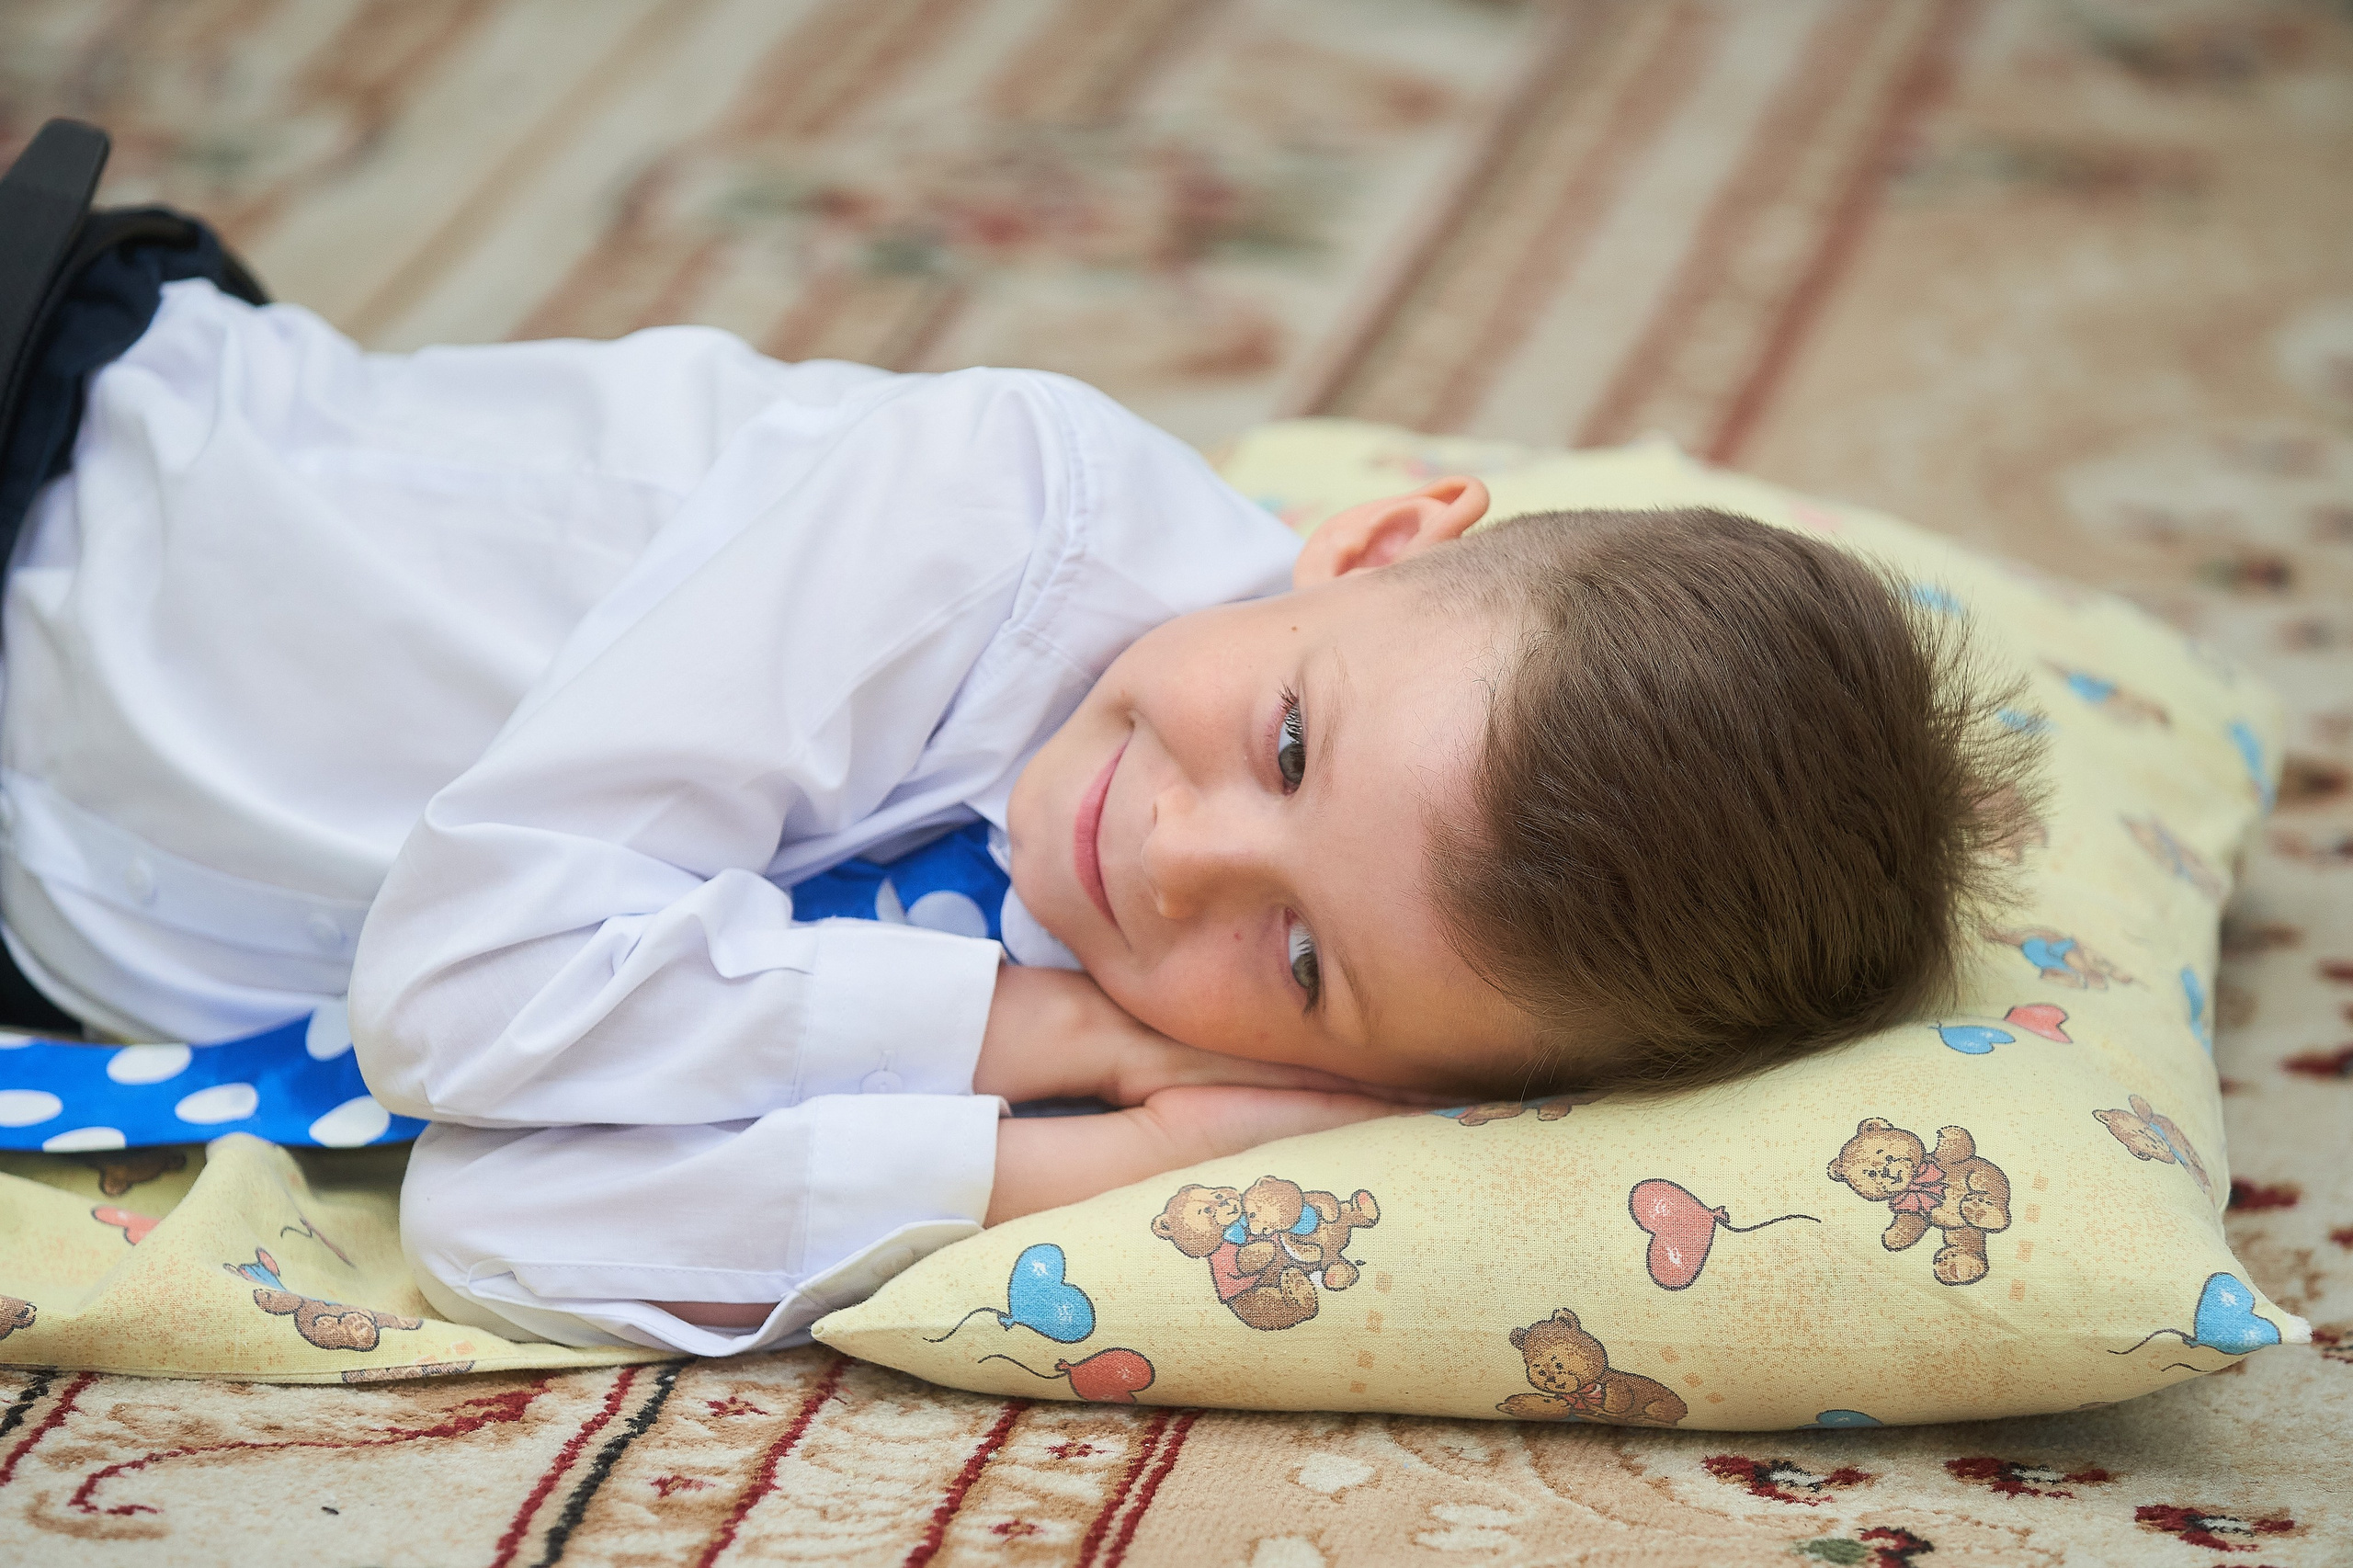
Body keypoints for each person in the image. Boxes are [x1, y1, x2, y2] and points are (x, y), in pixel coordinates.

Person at [0, 125, 2041, 1355]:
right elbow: (454, 1006)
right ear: (1386, 533)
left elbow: (488, 1218)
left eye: (1306, 960)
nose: (1176, 858)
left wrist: (1078, 1160)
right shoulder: (988, 511)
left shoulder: (1163, 1038)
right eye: (1297, 742)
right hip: (63, 480)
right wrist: (1049, 1040)